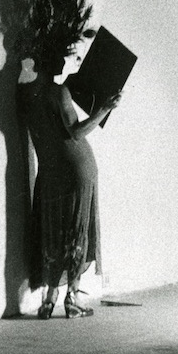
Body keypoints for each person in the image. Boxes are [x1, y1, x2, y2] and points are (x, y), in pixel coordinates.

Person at [22, 41, 121, 319]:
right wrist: (104, 109)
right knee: (76, 231)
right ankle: (71, 298)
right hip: (77, 168)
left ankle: (49, 298)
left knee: (53, 231)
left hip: (50, 171)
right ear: (49, 62)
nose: (64, 63)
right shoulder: (58, 91)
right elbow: (76, 132)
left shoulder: (26, 94)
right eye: (60, 58)